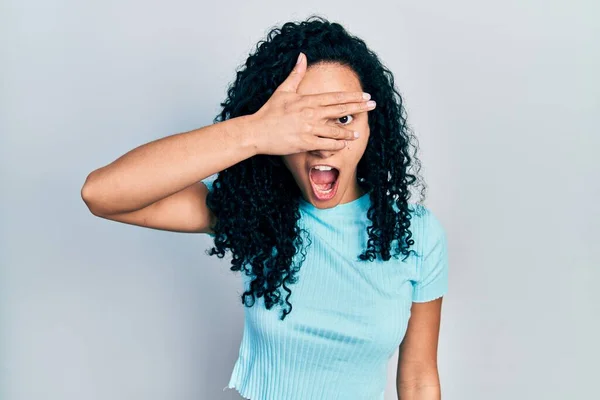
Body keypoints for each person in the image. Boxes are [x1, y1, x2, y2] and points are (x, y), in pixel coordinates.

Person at [81, 15, 449, 400]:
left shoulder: (416, 235)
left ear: (373, 126)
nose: (323, 141)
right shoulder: (257, 214)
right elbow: (102, 193)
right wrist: (253, 131)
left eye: (343, 118)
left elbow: (419, 377)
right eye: (304, 120)